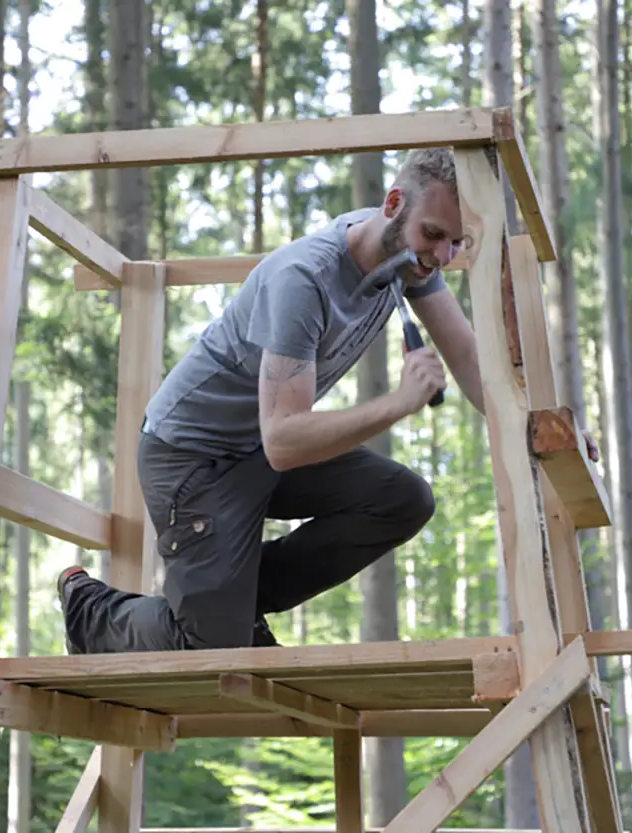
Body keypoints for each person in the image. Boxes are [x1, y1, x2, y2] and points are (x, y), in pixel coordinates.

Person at [56, 146, 595, 654]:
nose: (443, 255)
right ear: (392, 205)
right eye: (434, 235)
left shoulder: (408, 259)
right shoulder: (303, 280)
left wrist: (544, 427)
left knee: (403, 500)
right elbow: (285, 443)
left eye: (457, 242)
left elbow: (476, 367)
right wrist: (398, 402)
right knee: (211, 650)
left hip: (259, 449)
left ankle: (229, 602)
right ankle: (90, 610)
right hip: (192, 460)